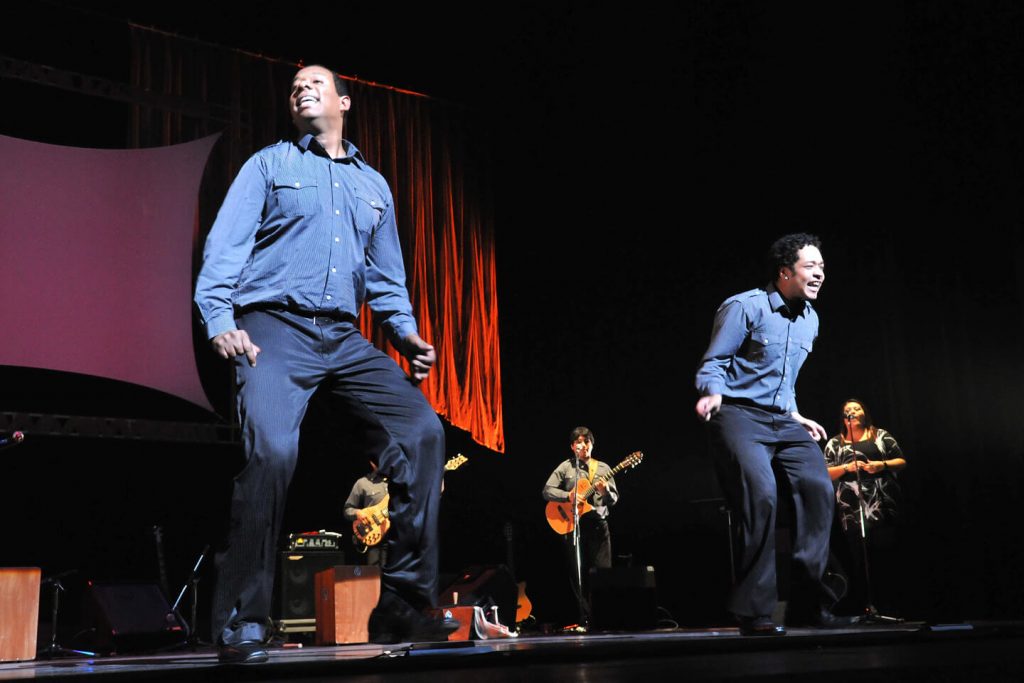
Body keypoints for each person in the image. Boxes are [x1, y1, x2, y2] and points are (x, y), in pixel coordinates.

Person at [194, 64, 455, 662]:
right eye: (293, 89)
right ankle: (244, 618)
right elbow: (224, 249)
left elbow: (387, 279)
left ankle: (404, 604)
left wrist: (407, 335)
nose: (301, 90)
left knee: (422, 434)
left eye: (314, 83)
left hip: (343, 335)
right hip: (270, 327)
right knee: (273, 453)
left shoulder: (374, 187)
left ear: (344, 100)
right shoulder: (269, 166)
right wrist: (221, 323)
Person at [695, 233, 858, 636]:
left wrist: (796, 414)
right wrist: (712, 393)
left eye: (822, 267)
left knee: (819, 489)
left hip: (783, 420)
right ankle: (754, 611)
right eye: (810, 267)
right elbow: (715, 362)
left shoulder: (810, 318)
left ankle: (808, 603)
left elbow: (784, 379)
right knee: (762, 495)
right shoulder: (744, 307)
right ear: (785, 272)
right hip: (736, 414)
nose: (820, 273)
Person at [823, 399, 906, 614]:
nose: (852, 412)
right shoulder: (835, 443)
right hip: (851, 508)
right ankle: (864, 605)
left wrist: (881, 465)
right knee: (860, 557)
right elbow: (825, 471)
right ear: (843, 418)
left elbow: (901, 461)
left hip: (881, 502)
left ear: (864, 412)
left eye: (856, 408)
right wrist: (846, 467)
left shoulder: (880, 436)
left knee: (884, 554)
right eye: (847, 410)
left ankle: (889, 604)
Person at [542, 426, 618, 629]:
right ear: (572, 446)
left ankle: (604, 617)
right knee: (578, 574)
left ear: (592, 444)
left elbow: (613, 500)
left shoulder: (602, 468)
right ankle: (586, 618)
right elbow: (547, 490)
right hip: (572, 526)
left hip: (598, 525)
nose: (582, 445)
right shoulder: (566, 467)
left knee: (602, 572)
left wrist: (605, 490)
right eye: (578, 442)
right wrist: (568, 496)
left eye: (586, 442)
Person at [344, 461, 390, 568]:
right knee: (374, 579)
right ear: (372, 463)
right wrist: (358, 513)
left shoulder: (398, 481)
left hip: (398, 540)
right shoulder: (362, 483)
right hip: (374, 542)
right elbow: (347, 510)